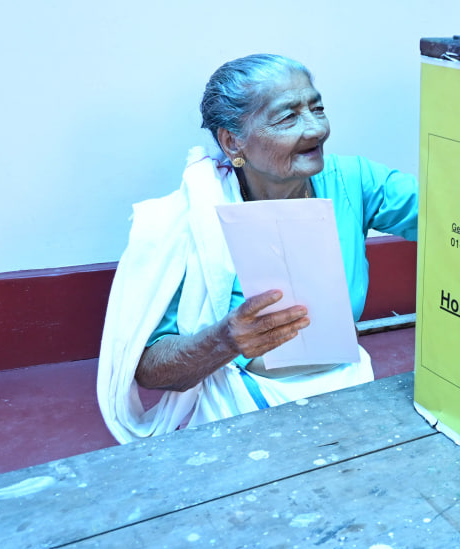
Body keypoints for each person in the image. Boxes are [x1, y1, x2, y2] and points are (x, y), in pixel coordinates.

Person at [98, 54, 418, 443]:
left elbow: (445, 216)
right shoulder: (187, 219)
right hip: (238, 403)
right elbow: (148, 366)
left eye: (318, 108)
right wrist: (226, 340)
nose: (316, 128)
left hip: (348, 387)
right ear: (233, 141)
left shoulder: (353, 180)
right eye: (288, 117)